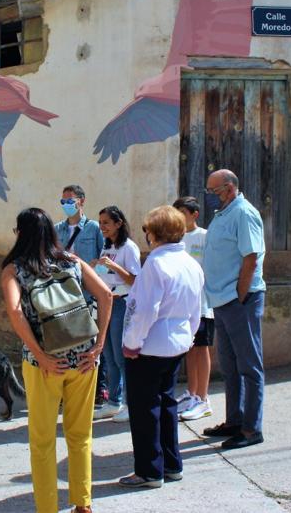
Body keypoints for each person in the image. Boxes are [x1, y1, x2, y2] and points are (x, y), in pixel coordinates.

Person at [1, 207, 113, 513]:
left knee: (42, 441)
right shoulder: (72, 261)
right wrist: (99, 345)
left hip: (44, 365)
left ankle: (48, 508)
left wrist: (41, 356)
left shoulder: (14, 269)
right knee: (80, 436)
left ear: (20, 234)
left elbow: (15, 311)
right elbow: (106, 295)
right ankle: (83, 504)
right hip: (85, 358)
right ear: (52, 232)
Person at [119, 205, 204, 488]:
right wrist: (189, 337)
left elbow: (144, 310)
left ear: (154, 233)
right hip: (177, 344)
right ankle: (171, 464)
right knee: (166, 404)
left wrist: (132, 343)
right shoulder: (191, 263)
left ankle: (149, 470)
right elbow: (196, 309)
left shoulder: (155, 264)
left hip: (150, 346)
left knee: (144, 410)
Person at [200, 169, 267, 450]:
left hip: (240, 300)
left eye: (214, 191)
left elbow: (251, 257)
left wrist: (240, 294)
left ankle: (252, 429)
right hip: (222, 301)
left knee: (249, 366)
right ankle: (235, 420)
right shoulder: (224, 213)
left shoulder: (243, 213)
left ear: (228, 188)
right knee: (230, 365)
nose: (211, 197)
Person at [54, 185, 108, 407]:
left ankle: (99, 387)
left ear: (81, 202)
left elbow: (103, 255)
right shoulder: (57, 229)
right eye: (63, 201)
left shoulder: (94, 228)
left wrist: (95, 268)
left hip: (88, 294)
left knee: (93, 340)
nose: (67, 205)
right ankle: (66, 386)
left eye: (70, 201)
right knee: (66, 339)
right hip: (65, 294)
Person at [90, 206, 140, 423]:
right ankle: (113, 402)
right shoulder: (107, 246)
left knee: (121, 357)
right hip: (105, 303)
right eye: (100, 223)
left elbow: (134, 280)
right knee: (108, 355)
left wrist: (113, 266)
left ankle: (131, 403)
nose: (102, 227)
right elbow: (106, 275)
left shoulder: (129, 248)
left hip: (121, 303)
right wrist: (95, 267)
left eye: (106, 223)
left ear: (118, 223)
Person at [172, 196, 213, 421]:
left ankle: (203, 398)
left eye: (183, 214)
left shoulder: (205, 237)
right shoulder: (175, 239)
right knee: (189, 348)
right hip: (182, 305)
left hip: (202, 303)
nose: (179, 218)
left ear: (194, 214)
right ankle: (192, 392)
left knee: (201, 348)